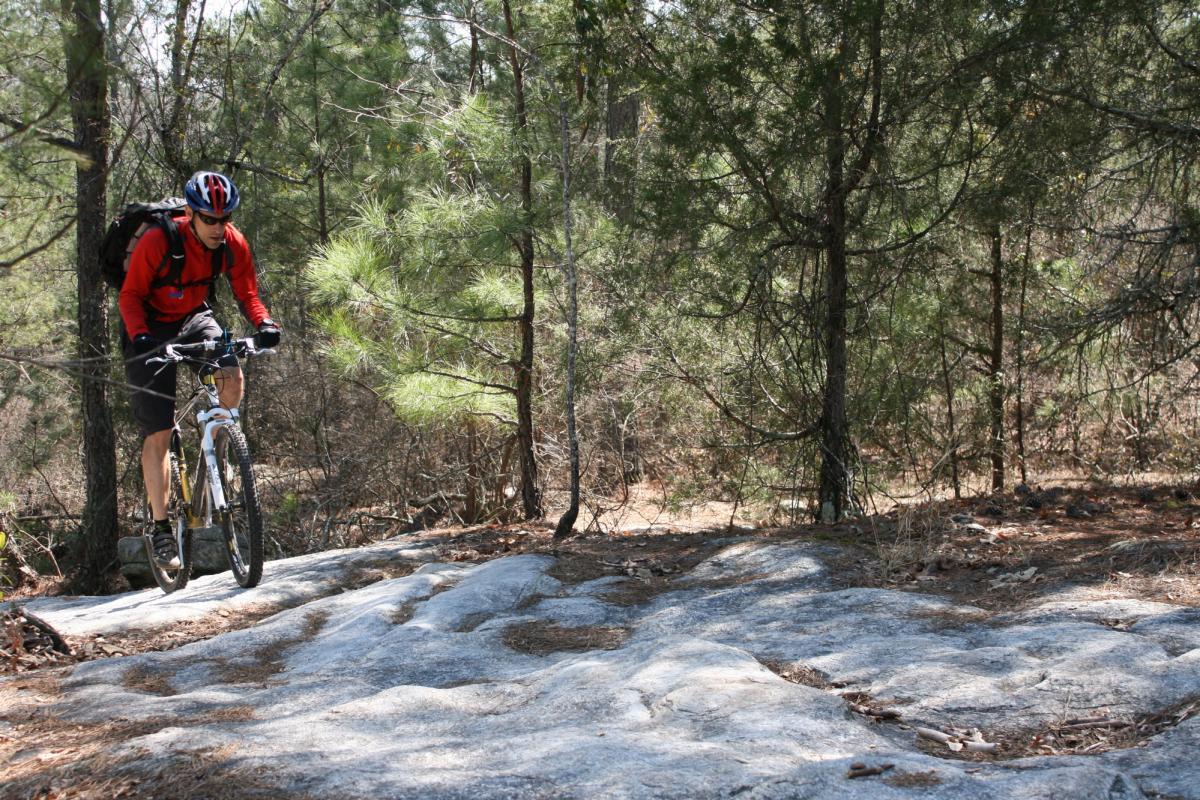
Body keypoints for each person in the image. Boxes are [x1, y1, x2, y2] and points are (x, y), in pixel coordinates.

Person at [119, 171, 281, 569]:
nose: (217, 227)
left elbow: (247, 293)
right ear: (191, 213)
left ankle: (219, 446)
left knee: (232, 378)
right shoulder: (160, 240)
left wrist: (264, 324)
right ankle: (160, 529)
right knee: (158, 431)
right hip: (148, 325)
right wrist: (141, 338)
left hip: (194, 317)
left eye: (224, 219)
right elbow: (130, 295)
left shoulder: (231, 243)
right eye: (209, 218)